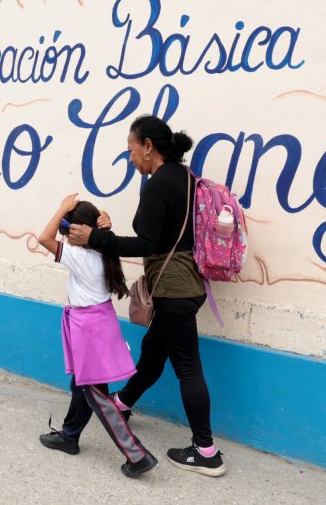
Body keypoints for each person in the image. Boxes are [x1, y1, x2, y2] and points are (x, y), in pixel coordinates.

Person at [67, 115, 226, 477]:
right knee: (153, 353)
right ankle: (122, 403)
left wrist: (94, 238)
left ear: (148, 146)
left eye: (131, 149)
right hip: (189, 284)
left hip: (173, 289)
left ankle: (206, 451)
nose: (130, 157)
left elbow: (146, 244)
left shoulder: (157, 184)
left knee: (188, 367)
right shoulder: (185, 178)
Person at [36, 194, 157, 478]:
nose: (64, 234)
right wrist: (103, 224)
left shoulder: (79, 255)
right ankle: (69, 436)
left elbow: (43, 238)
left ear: (77, 231)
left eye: (67, 229)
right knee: (82, 384)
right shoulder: (104, 249)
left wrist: (62, 208)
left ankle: (137, 455)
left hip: (88, 328)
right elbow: (98, 234)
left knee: (96, 394)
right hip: (100, 322)